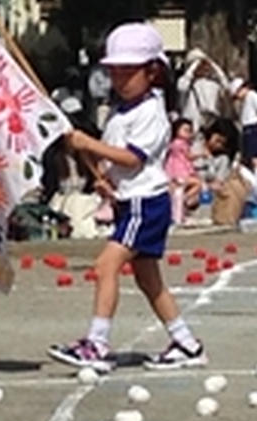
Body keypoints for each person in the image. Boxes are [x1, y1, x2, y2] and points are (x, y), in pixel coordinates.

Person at [48, 22, 207, 372]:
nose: (119, 79)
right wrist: (104, 178)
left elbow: (134, 158)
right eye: (114, 71)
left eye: (128, 71)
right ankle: (186, 343)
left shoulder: (151, 112)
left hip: (144, 205)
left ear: (152, 72)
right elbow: (119, 160)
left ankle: (97, 343)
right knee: (148, 278)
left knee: (106, 266)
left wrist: (88, 144)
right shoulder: (122, 112)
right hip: (130, 200)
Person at [177, 48, 228, 134]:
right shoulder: (188, 83)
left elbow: (226, 85)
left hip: (209, 120)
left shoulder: (213, 84)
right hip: (192, 119)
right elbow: (181, 87)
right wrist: (193, 67)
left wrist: (213, 65)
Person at [230, 77, 257, 185]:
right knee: (246, 157)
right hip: (246, 128)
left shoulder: (253, 95)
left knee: (254, 157)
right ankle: (253, 181)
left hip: (253, 126)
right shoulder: (244, 102)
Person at [164, 117, 202, 217]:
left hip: (178, 171)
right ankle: (184, 199)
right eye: (185, 130)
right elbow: (189, 156)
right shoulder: (179, 143)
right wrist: (200, 154)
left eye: (189, 131)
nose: (188, 133)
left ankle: (182, 208)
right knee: (197, 184)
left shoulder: (177, 144)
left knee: (185, 188)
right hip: (179, 171)